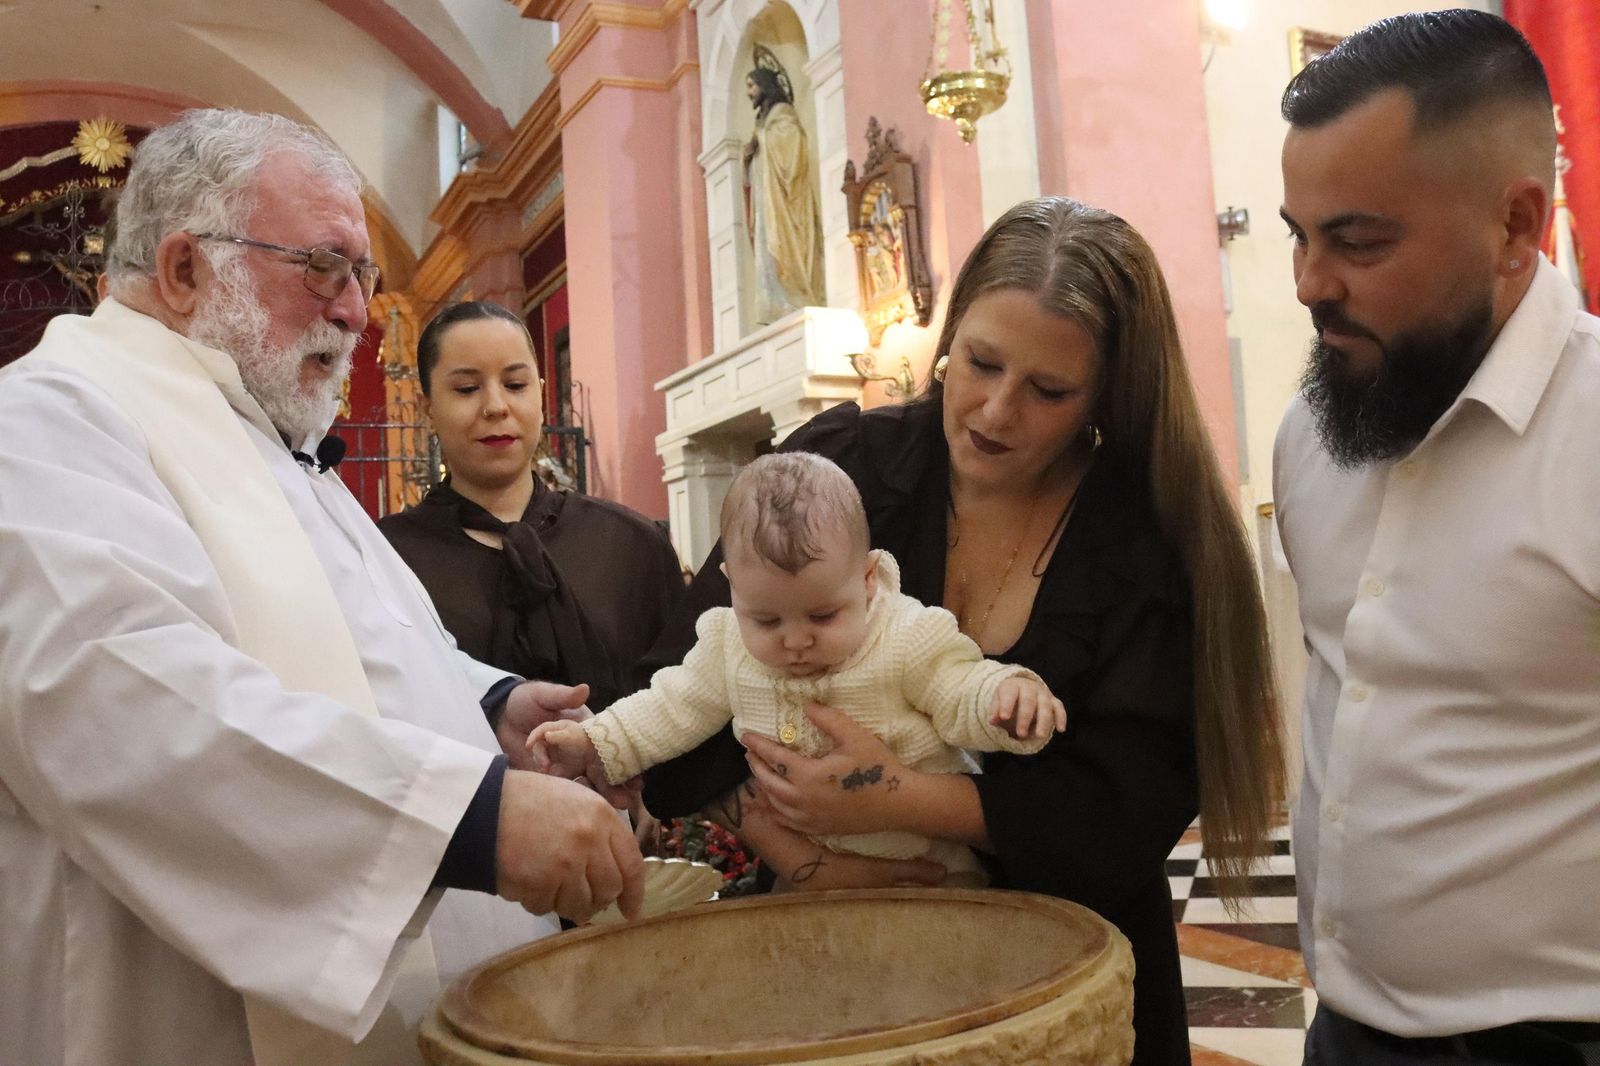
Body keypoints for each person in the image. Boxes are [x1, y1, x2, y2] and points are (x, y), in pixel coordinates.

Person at [0, 109, 643, 1066]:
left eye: (365, 277)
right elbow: (112, 696)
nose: (355, 310)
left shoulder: (267, 441)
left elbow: (367, 644)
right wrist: (472, 820)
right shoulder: (46, 424)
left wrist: (492, 704)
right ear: (184, 271)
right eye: (324, 267)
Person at [641, 196, 1286, 1066]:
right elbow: (685, 683)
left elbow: (1127, 807)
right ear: (948, 339)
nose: (994, 412)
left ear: (1107, 396)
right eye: (979, 364)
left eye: (1048, 391)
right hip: (839, 973)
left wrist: (900, 800)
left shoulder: (1145, 540)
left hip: (1063, 983)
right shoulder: (840, 468)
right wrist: (797, 848)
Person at [1275, 11, 1600, 1065]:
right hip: (1343, 1026)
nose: (1309, 283)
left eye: (1358, 240)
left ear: (1515, 224)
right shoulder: (1312, 432)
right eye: (1297, 233)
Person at [529, 452, 1066, 886]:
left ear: (868, 578)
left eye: (822, 614)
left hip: (936, 872)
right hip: (811, 876)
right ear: (730, 587)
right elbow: (672, 705)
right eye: (765, 619)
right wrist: (594, 743)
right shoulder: (726, 645)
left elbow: (959, 686)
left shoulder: (905, 634)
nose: (795, 640)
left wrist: (1006, 699)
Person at [379, 300, 685, 715]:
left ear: (540, 394)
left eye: (515, 385)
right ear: (427, 408)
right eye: (467, 389)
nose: (495, 406)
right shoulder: (387, 559)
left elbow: (685, 699)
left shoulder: (630, 544)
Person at [743, 62, 825, 321]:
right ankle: (774, 303)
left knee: (786, 244)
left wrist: (763, 139)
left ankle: (793, 296)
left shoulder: (782, 113)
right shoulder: (763, 119)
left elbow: (793, 147)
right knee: (766, 247)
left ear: (765, 86)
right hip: (765, 201)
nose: (749, 92)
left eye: (752, 86)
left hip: (783, 200)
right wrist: (749, 154)